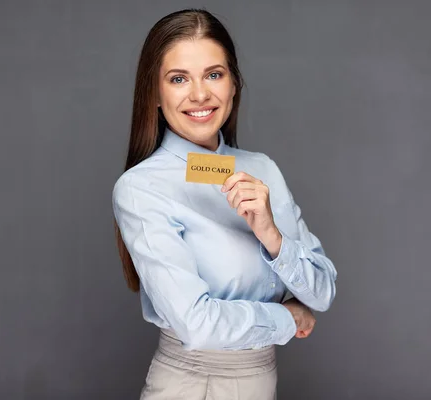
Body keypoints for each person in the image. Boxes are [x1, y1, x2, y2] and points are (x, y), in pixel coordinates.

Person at [111, 8, 337, 400]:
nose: (200, 94)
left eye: (214, 74)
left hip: (262, 382)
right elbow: (196, 324)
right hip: (192, 387)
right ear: (156, 94)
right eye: (178, 78)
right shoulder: (141, 188)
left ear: (234, 84)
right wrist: (286, 317)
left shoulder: (262, 169)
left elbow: (323, 292)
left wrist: (272, 236)